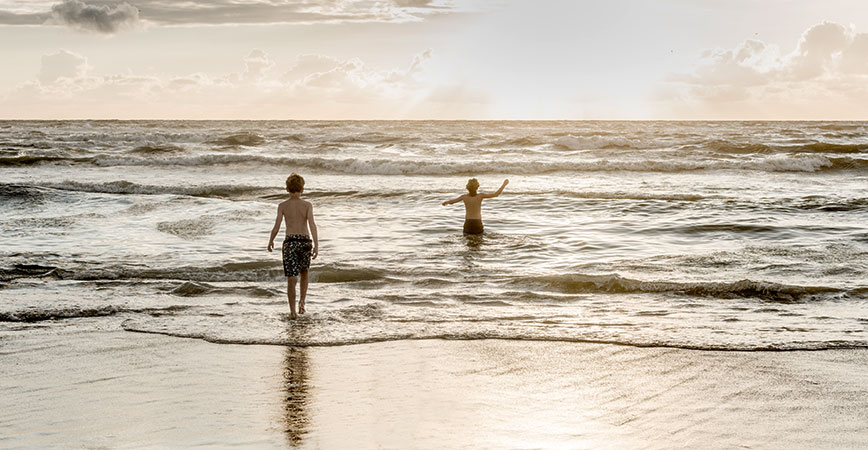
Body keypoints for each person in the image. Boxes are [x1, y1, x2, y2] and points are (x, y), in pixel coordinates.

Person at [268, 173, 319, 319]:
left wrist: (271, 240)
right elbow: (312, 225)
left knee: (291, 278)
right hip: (305, 241)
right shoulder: (307, 205)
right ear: (302, 189)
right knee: (304, 273)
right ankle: (302, 302)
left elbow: (276, 226)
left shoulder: (283, 206)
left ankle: (292, 311)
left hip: (290, 242)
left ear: (287, 189)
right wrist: (316, 245)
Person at [442, 178, 509, 235]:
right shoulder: (480, 196)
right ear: (477, 187)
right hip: (477, 222)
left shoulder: (464, 197)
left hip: (468, 223)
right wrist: (504, 185)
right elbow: (496, 194)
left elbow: (453, 201)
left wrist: (446, 202)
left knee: (468, 242)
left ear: (467, 188)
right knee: (478, 242)